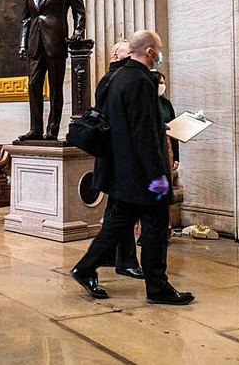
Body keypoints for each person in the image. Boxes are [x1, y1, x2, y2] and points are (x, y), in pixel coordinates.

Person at [71, 30, 194, 305]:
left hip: (121, 170)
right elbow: (144, 135)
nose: (161, 55)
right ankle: (158, 288)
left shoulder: (116, 76)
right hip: (142, 174)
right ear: (150, 52)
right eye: (159, 50)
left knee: (117, 225)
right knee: (155, 228)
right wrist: (158, 178)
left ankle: (85, 267)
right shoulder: (140, 80)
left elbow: (122, 121)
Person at [18, 0, 86, 141]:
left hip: (55, 41)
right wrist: (23, 44)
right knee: (33, 85)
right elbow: (26, 19)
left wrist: (78, 31)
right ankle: (35, 129)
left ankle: (52, 129)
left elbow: (79, 11)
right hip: (34, 43)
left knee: (56, 88)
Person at [94, 39, 144, 279]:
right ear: (118, 56)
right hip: (118, 157)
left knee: (116, 208)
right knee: (122, 209)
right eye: (129, 51)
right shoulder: (117, 79)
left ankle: (106, 256)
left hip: (116, 156)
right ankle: (123, 261)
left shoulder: (115, 78)